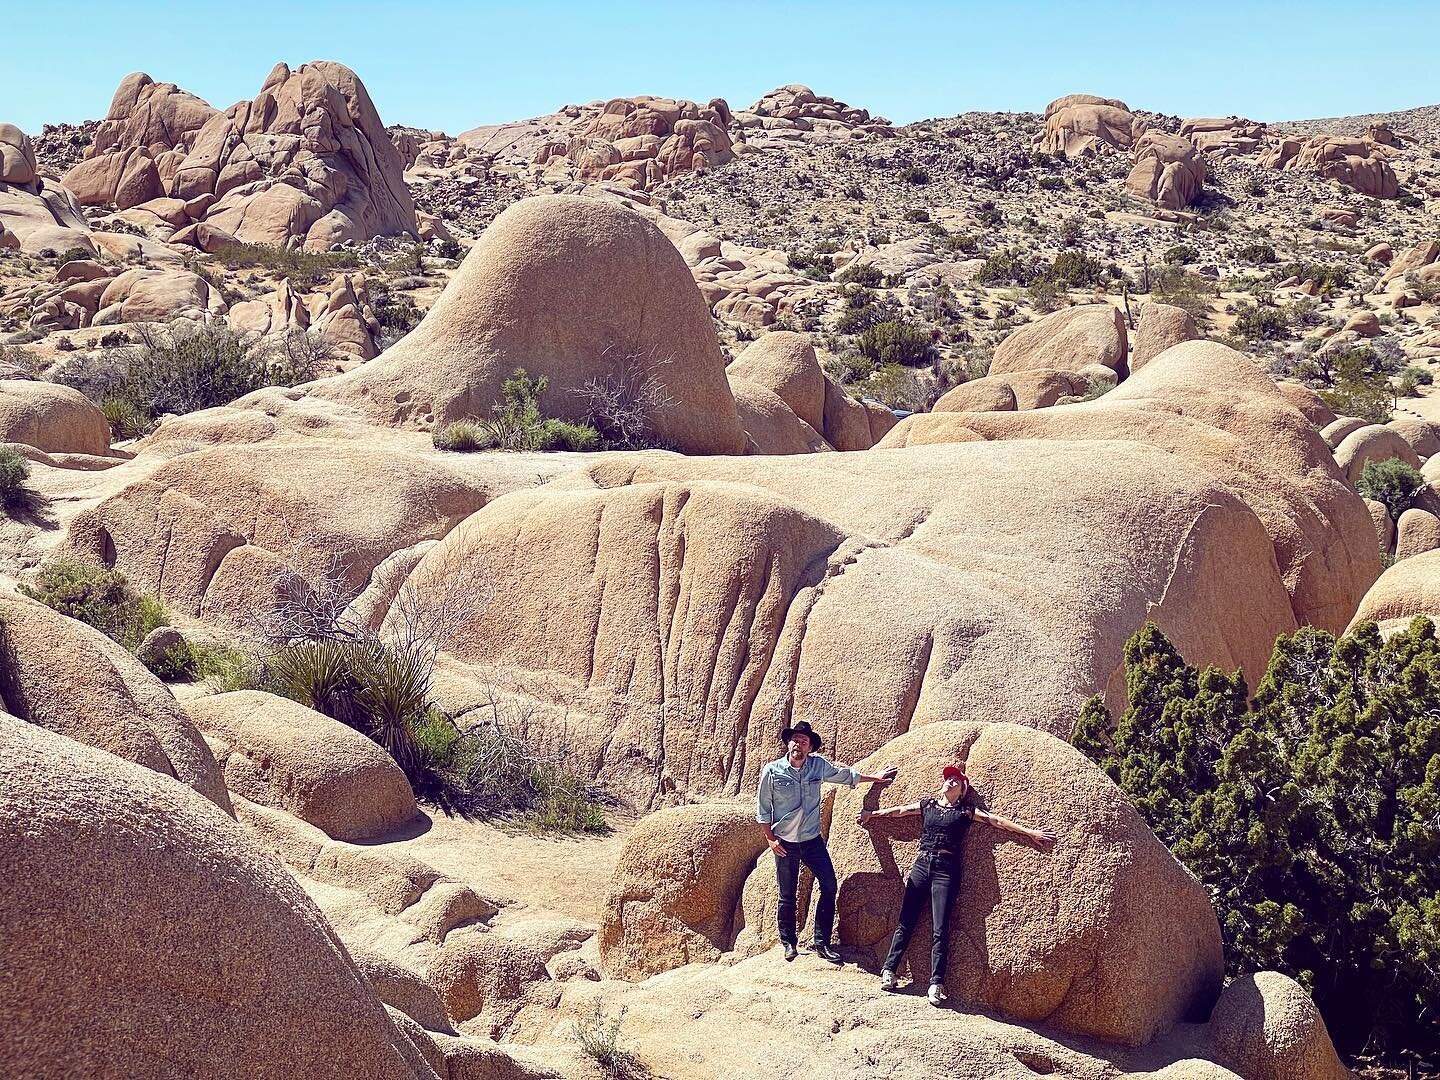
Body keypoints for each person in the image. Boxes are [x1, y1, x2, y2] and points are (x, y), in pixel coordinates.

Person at [858, 762, 1055, 1006]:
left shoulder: (966, 812)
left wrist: (1029, 833)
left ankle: (936, 983)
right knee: (906, 921)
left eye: (956, 780)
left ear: (962, 790)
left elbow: (997, 822)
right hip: (922, 865)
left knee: (941, 927)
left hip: (946, 870)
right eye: (948, 778)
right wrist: (872, 816)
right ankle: (889, 970)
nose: (949, 781)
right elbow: (900, 811)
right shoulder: (928, 805)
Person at [755, 720, 897, 963]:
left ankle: (822, 942)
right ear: (788, 743)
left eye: (804, 741)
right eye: (795, 739)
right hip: (785, 843)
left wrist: (876, 778)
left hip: (812, 841)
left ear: (810, 747)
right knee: (786, 895)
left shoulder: (817, 767)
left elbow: (845, 776)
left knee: (829, 885)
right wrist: (770, 840)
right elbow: (763, 808)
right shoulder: (772, 771)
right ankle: (789, 943)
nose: (798, 744)